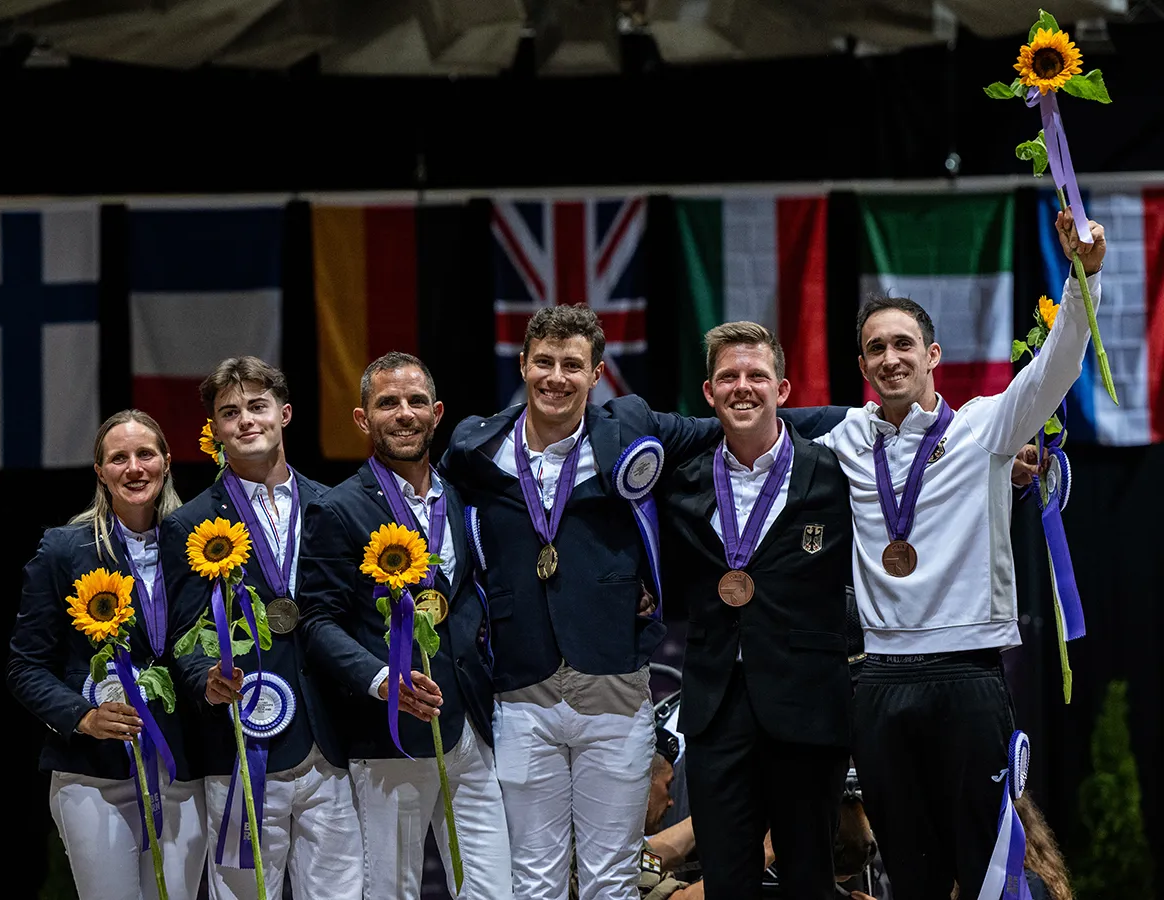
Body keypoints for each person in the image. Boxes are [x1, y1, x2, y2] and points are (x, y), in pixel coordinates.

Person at [438, 304, 842, 900]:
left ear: (596, 374)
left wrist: (893, 420)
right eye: (544, 362)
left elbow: (741, 420)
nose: (556, 377)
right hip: (523, 688)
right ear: (522, 365)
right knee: (535, 878)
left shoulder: (629, 427)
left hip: (615, 685)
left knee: (612, 878)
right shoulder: (476, 447)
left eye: (572, 364)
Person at [813, 209, 1106, 900]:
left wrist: (1081, 278)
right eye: (876, 348)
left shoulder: (985, 428)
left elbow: (1057, 367)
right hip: (879, 681)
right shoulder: (842, 441)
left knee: (986, 870)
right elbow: (760, 447)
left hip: (969, 677)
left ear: (933, 356)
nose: (891, 358)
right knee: (908, 875)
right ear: (861, 365)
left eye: (904, 344)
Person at [298, 352, 511, 899]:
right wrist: (379, 680)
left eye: (416, 401)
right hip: (388, 734)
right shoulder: (339, 509)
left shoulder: (462, 497)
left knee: (494, 891)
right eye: (387, 402)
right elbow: (317, 621)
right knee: (391, 892)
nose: (404, 413)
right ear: (363, 419)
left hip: (471, 730)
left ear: (437, 413)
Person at [660, 322, 854, 899]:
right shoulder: (683, 484)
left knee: (809, 880)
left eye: (757, 376)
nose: (742, 387)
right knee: (726, 883)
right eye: (729, 377)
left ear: (784, 390)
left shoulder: (834, 473)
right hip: (717, 708)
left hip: (808, 703)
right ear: (709, 391)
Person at [161, 357, 363, 899]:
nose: (246, 420)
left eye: (257, 406)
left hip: (331, 745)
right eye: (230, 412)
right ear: (216, 430)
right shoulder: (188, 524)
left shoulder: (334, 505)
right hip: (242, 747)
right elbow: (182, 635)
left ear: (285, 413)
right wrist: (204, 676)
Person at [7, 410, 206, 900]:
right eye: (119, 458)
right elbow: (25, 666)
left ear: (166, 461)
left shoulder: (200, 547)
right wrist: (83, 716)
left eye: (145, 454)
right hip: (95, 773)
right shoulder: (63, 550)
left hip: (182, 768)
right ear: (100, 471)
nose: (133, 468)